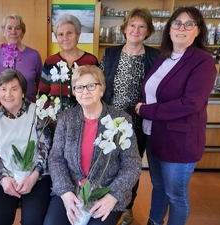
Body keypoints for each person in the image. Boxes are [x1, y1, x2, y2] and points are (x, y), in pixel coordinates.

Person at [135, 7, 217, 225]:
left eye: (189, 24)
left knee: (176, 196)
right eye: (177, 23)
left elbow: (190, 103)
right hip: (155, 135)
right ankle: (154, 221)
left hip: (180, 141)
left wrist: (146, 111)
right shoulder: (164, 57)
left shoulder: (202, 61)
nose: (182, 28)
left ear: (198, 31)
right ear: (169, 29)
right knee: (159, 186)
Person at [44, 65, 142, 225]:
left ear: (101, 89)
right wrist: (66, 193)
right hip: (72, 189)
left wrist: (113, 196)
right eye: (79, 87)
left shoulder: (120, 120)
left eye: (91, 86)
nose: (85, 91)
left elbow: (132, 164)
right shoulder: (66, 118)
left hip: (106, 192)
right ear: (74, 92)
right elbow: (56, 159)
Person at [99, 8, 160, 225]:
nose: (136, 30)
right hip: (111, 120)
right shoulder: (111, 53)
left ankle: (127, 205)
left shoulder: (155, 56)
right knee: (106, 163)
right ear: (125, 28)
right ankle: (104, 201)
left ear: (148, 31)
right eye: (132, 25)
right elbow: (100, 81)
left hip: (138, 122)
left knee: (131, 167)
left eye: (141, 26)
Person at [0, 69, 52, 225]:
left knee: (33, 220)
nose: (8, 94)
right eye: (3, 89)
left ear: (23, 92)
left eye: (14, 89)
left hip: (36, 176)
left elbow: (45, 148)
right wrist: (3, 180)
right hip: (4, 176)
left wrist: (33, 177)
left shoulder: (38, 112)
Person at [39, 14, 99, 110]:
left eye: (69, 33)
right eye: (60, 34)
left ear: (78, 35)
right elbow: (42, 94)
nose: (65, 38)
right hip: (56, 122)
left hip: (84, 120)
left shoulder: (91, 61)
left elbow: (98, 92)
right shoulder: (50, 62)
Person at [0, 14, 42, 107]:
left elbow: (41, 84)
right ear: (3, 31)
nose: (13, 32)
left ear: (23, 32)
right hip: (3, 108)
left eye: (18, 28)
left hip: (29, 108)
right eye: (9, 28)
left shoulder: (34, 55)